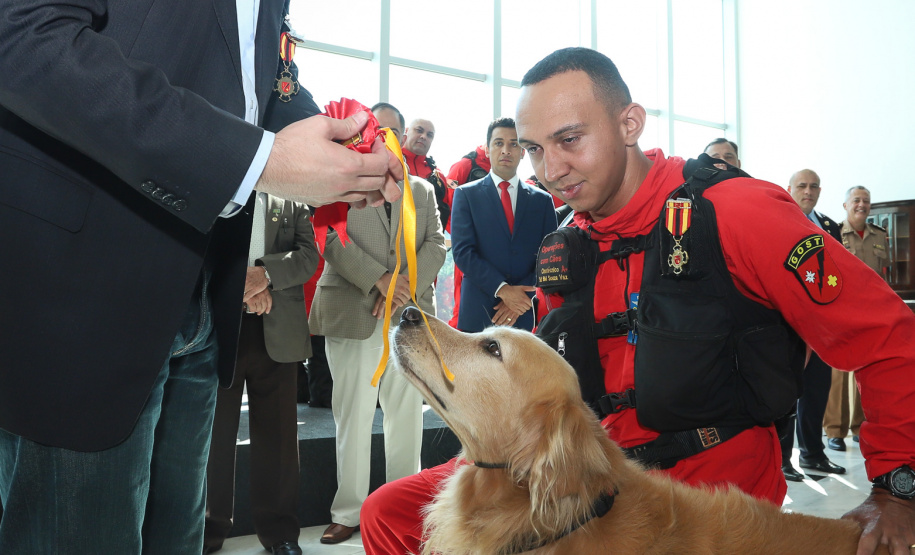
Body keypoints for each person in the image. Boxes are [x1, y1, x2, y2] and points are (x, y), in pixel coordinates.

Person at [359, 47, 915, 555]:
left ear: (629, 123)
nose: (550, 171)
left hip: (707, 498)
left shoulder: (737, 211)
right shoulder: (565, 242)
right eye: (534, 149)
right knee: (388, 513)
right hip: (590, 476)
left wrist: (897, 485)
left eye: (569, 140)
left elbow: (887, 333)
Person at [0, 2, 402, 553]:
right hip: (85, 277)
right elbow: (24, 34)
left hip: (204, 286)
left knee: (179, 535)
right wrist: (257, 162)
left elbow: (256, 84)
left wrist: (340, 143)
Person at [308, 102, 446, 545]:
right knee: (353, 415)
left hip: (409, 319)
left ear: (403, 141)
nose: (383, 138)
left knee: (406, 416)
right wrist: (381, 281)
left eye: (393, 132)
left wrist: (401, 287)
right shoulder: (340, 182)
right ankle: (348, 511)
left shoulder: (422, 191)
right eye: (376, 130)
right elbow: (328, 238)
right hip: (353, 313)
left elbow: (437, 245)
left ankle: (401, 507)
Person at [204, 195, 319, 555]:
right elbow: (205, 245)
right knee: (214, 434)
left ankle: (280, 533)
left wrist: (264, 275)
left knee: (280, 437)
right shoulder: (223, 187)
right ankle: (208, 528)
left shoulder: (294, 200)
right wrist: (242, 287)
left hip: (279, 332)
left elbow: (308, 256)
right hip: (221, 326)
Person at [450, 117, 558, 332]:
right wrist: (503, 290)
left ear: (523, 152)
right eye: (499, 143)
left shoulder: (543, 201)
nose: (506, 150)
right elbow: (463, 253)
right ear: (487, 150)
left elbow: (550, 256)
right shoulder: (465, 194)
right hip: (478, 308)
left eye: (514, 144)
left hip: (525, 309)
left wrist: (520, 297)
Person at [780, 169, 846, 481]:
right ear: (789, 188)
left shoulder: (831, 226)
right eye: (802, 185)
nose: (808, 190)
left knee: (817, 392)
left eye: (814, 186)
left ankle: (812, 455)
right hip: (786, 326)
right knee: (784, 395)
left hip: (820, 327)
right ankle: (781, 461)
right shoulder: (777, 220)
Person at [823, 185, 889, 452]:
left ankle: (860, 426)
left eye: (866, 201)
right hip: (843, 313)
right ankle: (834, 431)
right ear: (845, 205)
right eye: (856, 200)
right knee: (839, 373)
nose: (861, 204)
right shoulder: (835, 234)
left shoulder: (880, 236)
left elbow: (885, 276)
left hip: (872, 313)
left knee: (868, 371)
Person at [402, 117, 454, 229]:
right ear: (406, 131)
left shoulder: (438, 176)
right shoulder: (390, 163)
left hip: (427, 241)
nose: (423, 136)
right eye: (419, 130)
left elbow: (446, 216)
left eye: (429, 135)